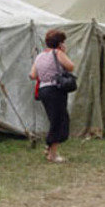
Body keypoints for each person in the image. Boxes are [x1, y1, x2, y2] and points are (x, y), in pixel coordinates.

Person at [29, 29, 74, 163]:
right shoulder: (58, 53)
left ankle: (49, 147)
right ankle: (52, 154)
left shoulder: (40, 56)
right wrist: (63, 54)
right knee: (59, 121)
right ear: (60, 43)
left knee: (55, 120)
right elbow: (71, 66)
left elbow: (32, 75)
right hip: (56, 89)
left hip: (43, 90)